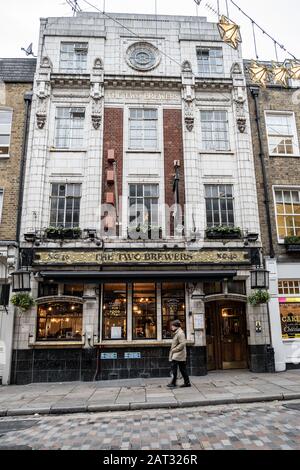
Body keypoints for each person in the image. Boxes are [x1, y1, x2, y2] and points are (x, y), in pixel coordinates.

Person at [167, 319, 191, 388]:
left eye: (172, 326)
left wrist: (174, 350)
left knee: (174, 369)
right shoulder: (177, 332)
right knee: (182, 369)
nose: (171, 327)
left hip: (178, 354)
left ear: (176, 326)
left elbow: (182, 344)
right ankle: (187, 382)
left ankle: (174, 383)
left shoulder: (180, 333)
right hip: (179, 354)